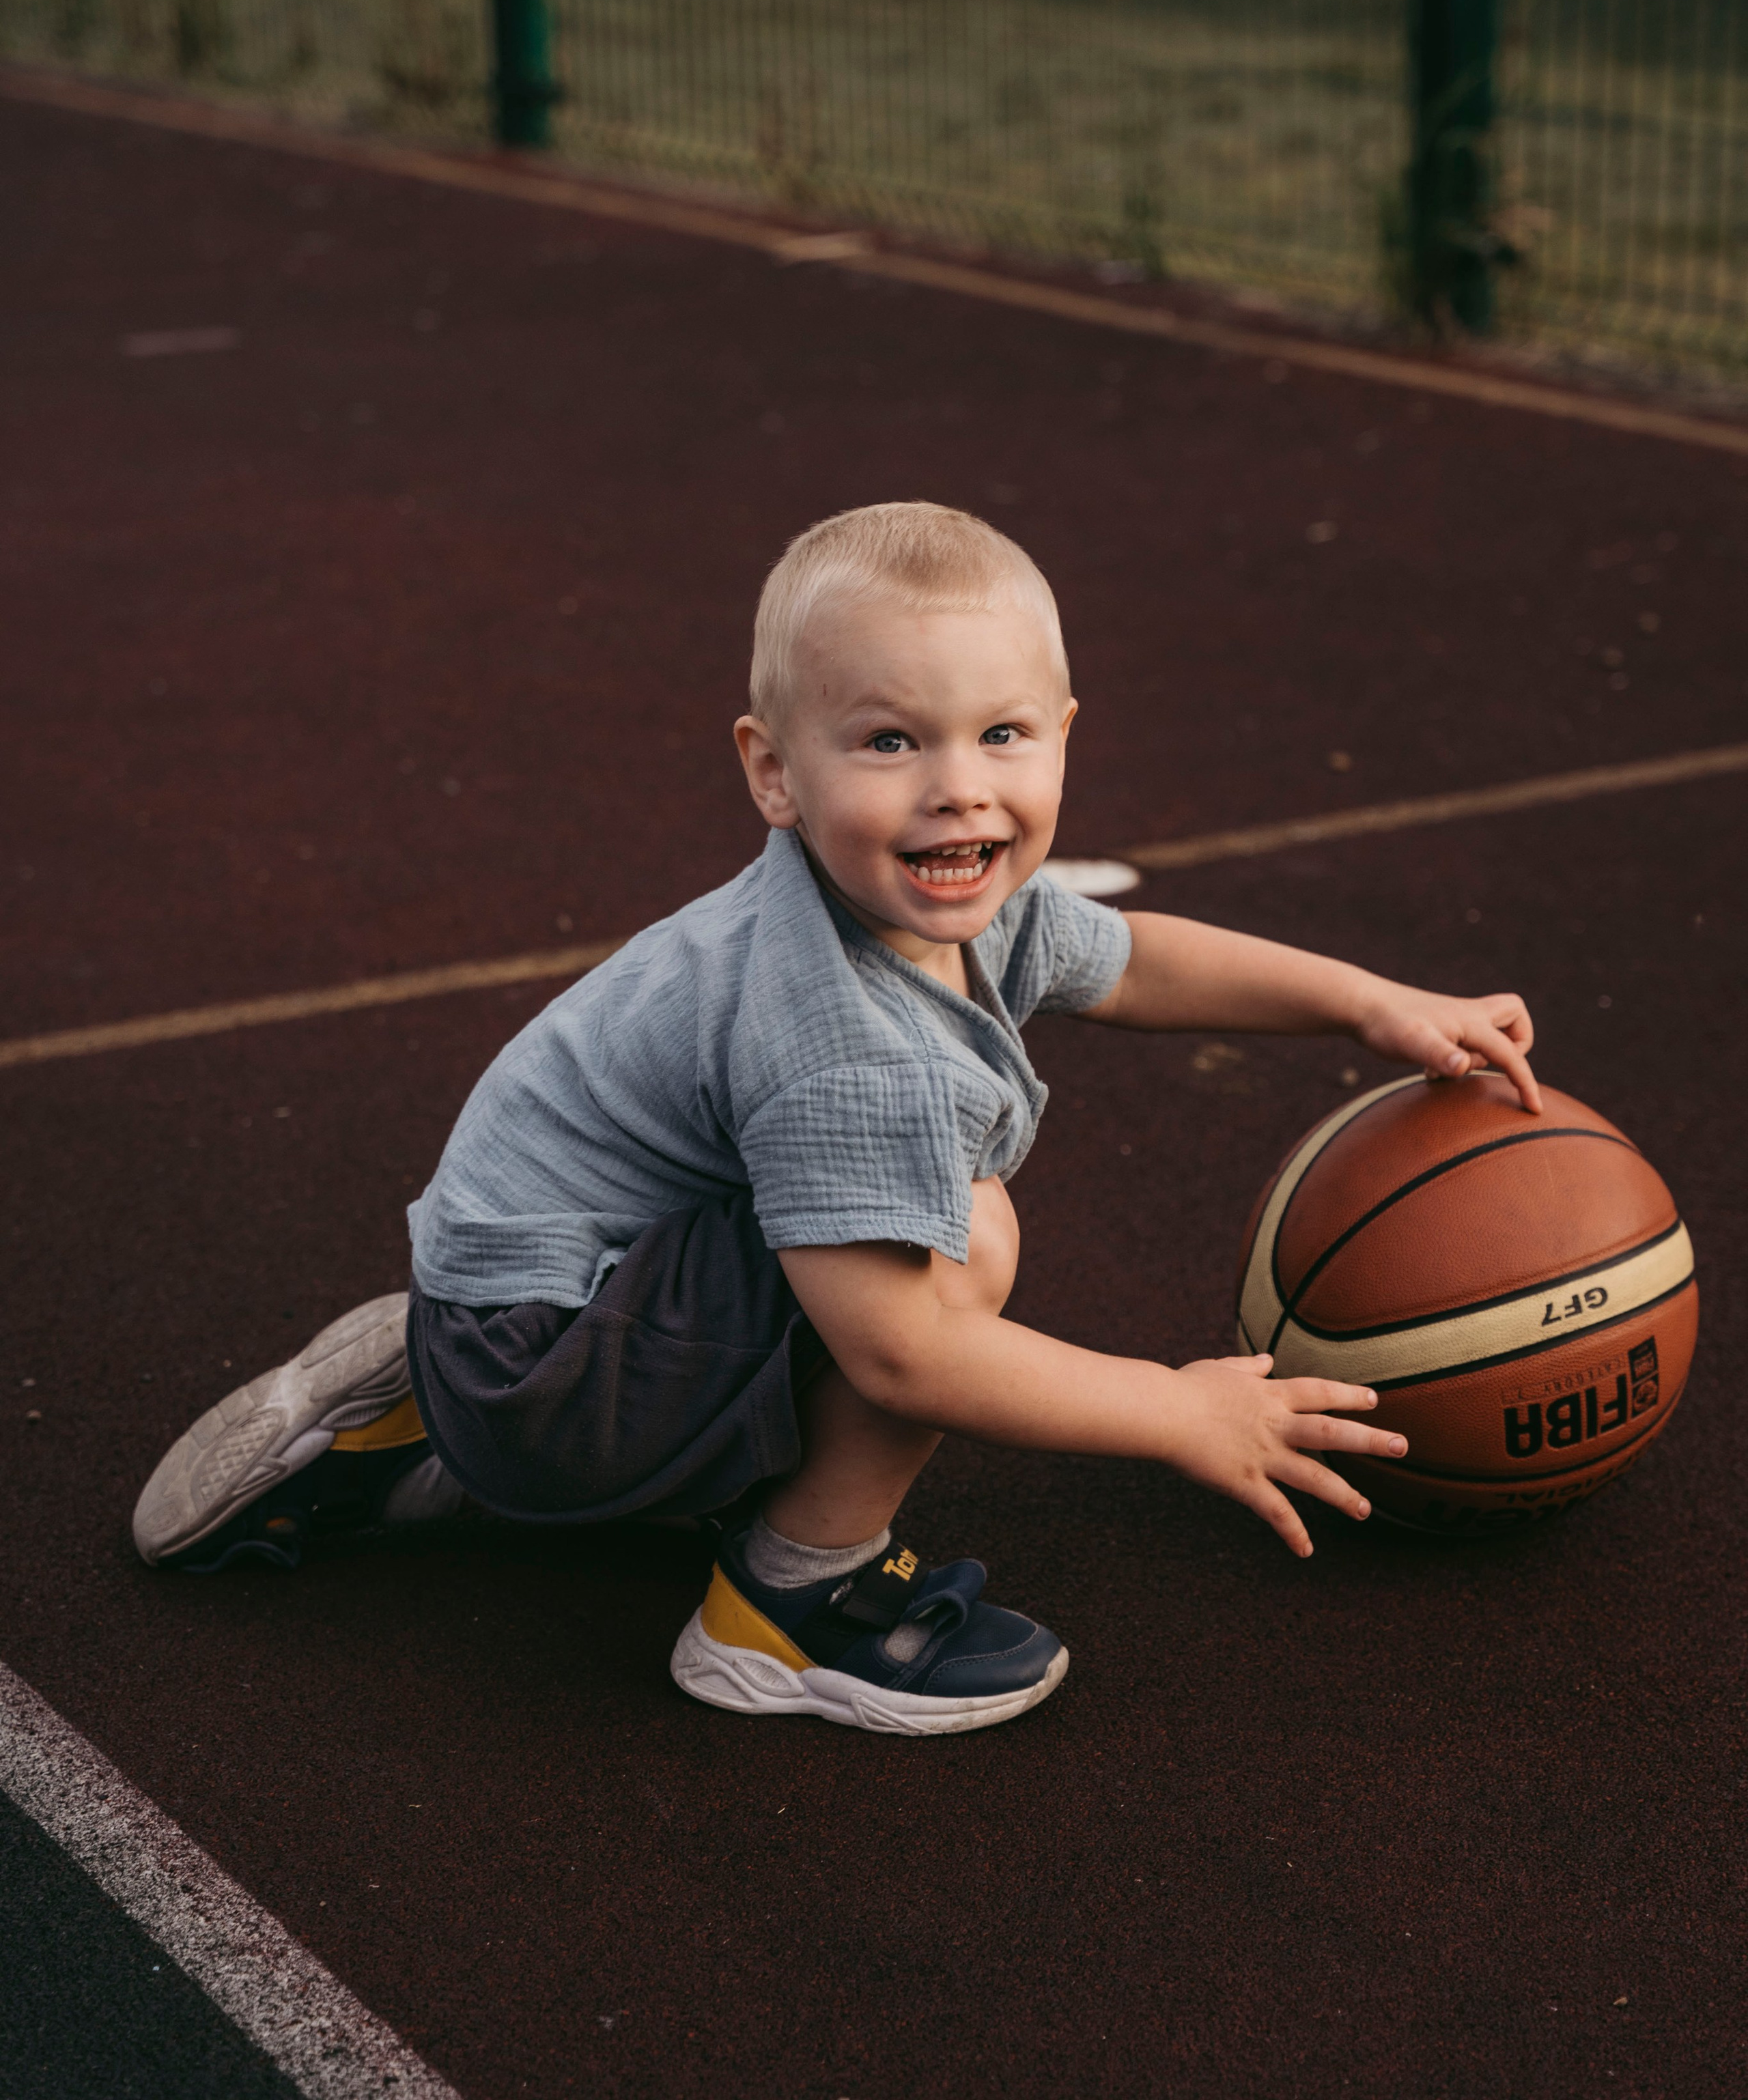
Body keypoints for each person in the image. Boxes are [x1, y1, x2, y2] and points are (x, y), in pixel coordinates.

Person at [134, 502, 1540, 1737]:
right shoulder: (845, 1045)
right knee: (960, 1235)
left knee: (897, 1219)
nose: (956, 786)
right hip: (542, 1360)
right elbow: (910, 1356)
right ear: (771, 770)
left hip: (526, 1286)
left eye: (999, 735)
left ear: (1060, 740)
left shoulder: (925, 896)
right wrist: (1173, 1410)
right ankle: (781, 1614)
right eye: (887, 739)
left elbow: (1140, 959)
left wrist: (1368, 1004)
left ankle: (427, 1414)